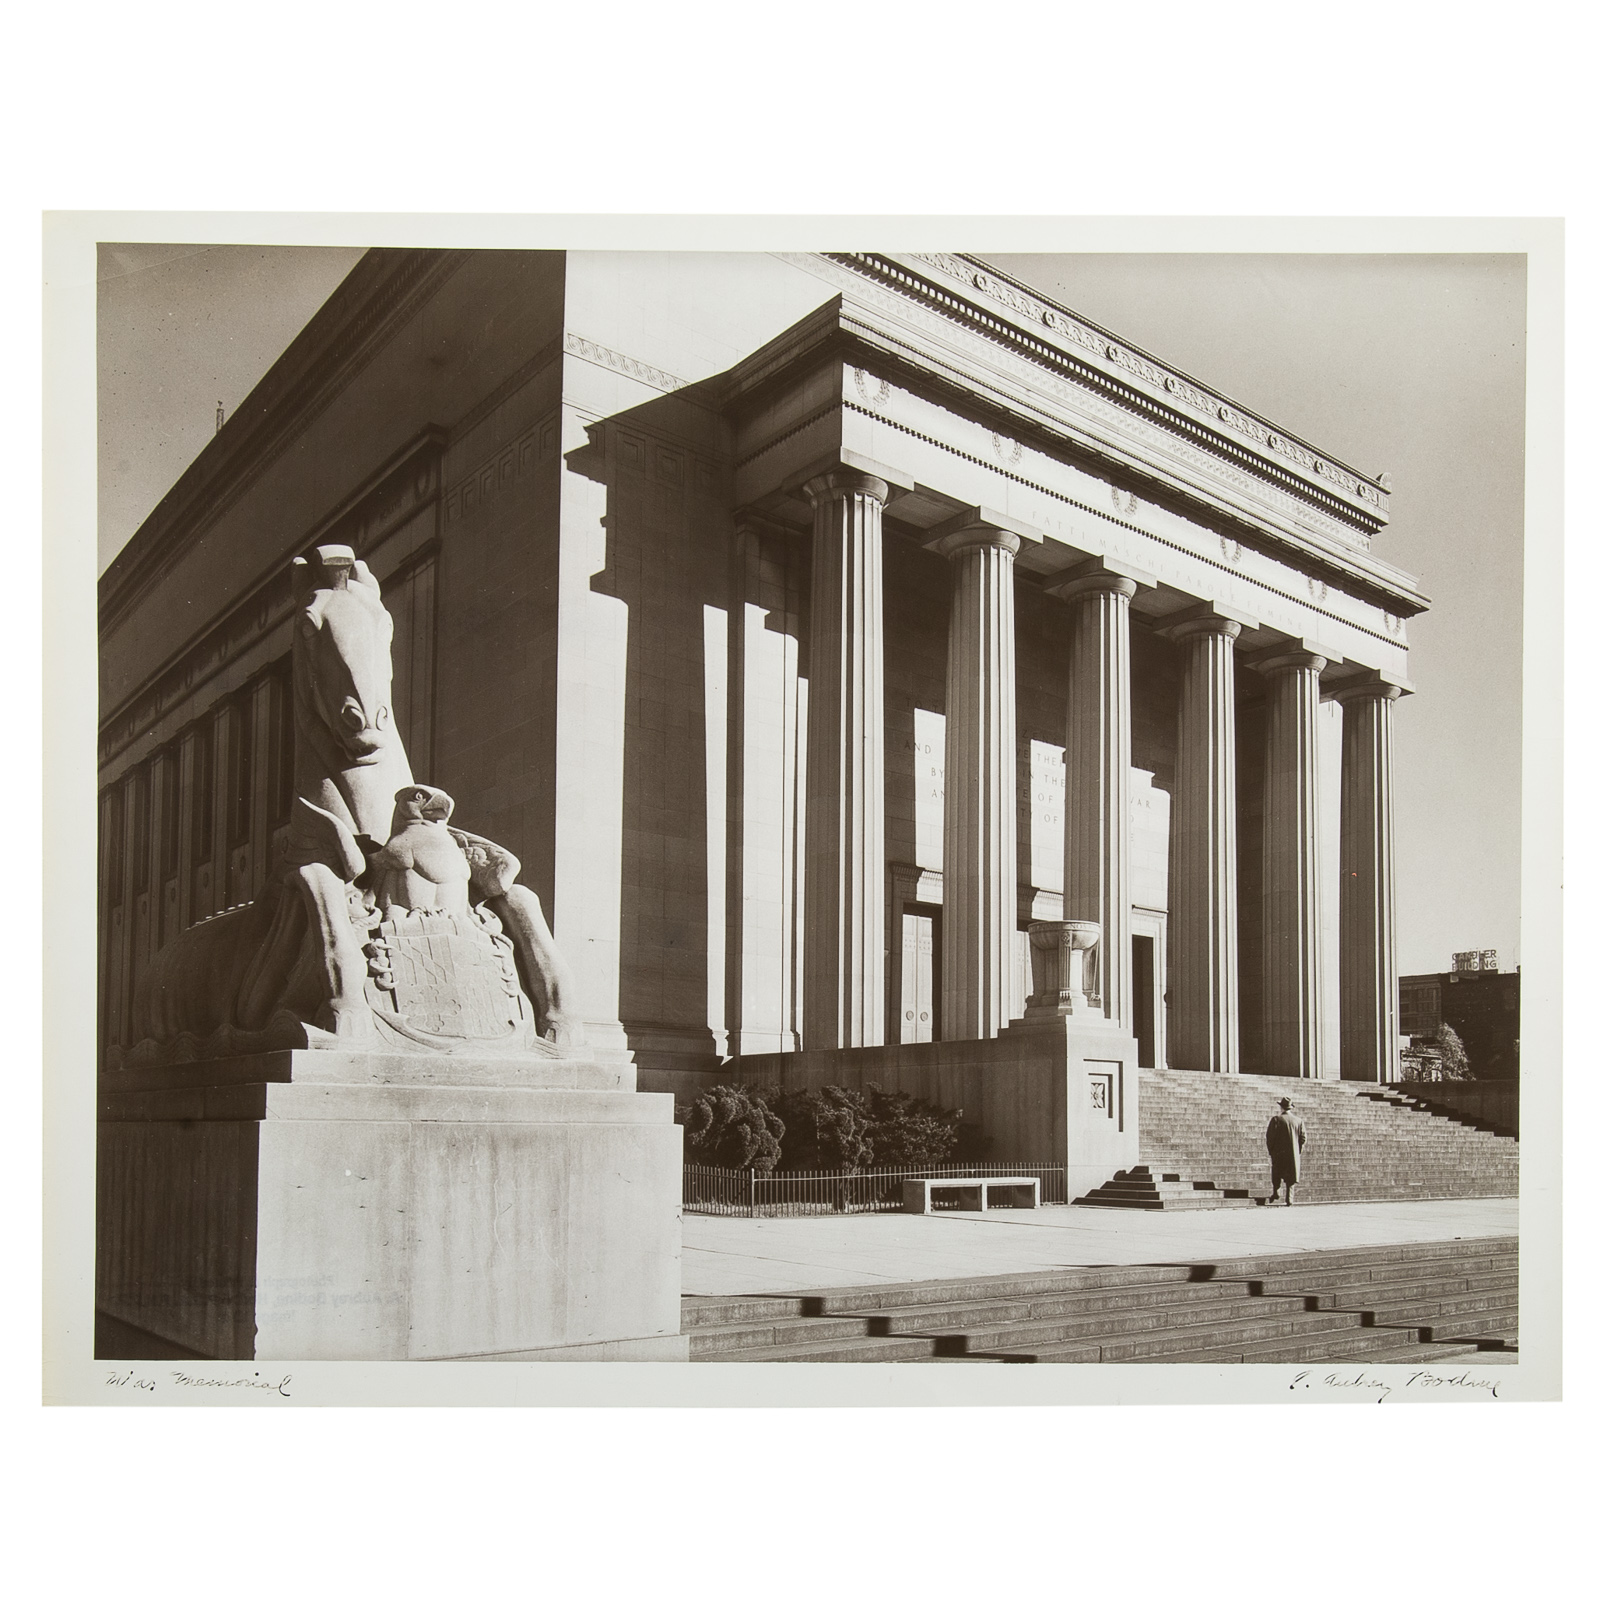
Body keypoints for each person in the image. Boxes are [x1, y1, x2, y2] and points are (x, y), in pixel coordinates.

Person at [1266, 1097, 1307, 1205]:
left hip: (1279, 1153)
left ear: (1281, 1107)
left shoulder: (1276, 1119)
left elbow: (1270, 1137)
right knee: (1291, 1176)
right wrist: (1298, 1150)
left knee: (1277, 1172)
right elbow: (1303, 1138)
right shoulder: (1299, 1121)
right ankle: (1290, 1198)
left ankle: (1276, 1192)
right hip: (1292, 1153)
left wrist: (1272, 1151)